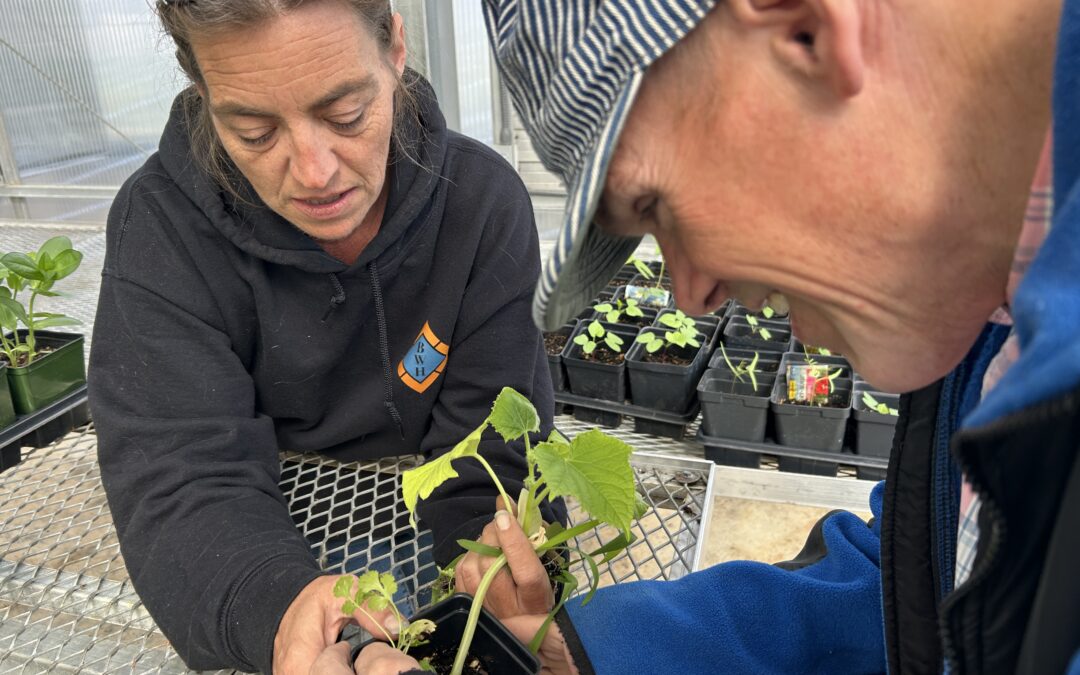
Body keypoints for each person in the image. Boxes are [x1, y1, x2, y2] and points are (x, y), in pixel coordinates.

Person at [356, 0, 1080, 673]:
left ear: (803, 30)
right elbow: (917, 578)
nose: (691, 293)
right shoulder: (993, 308)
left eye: (658, 203)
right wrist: (591, 651)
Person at [88, 1, 566, 674]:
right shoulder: (161, 229)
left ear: (396, 47)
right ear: (201, 91)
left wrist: (490, 570)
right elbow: (182, 477)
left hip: (431, 514)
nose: (314, 172)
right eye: (253, 131)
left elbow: (494, 448)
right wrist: (286, 611)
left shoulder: (480, 204)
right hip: (262, 532)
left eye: (347, 117)